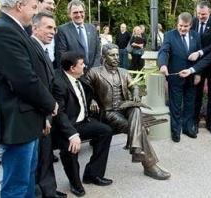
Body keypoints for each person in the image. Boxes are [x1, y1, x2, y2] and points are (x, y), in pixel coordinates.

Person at [0, 0, 59, 196]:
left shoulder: (13, 30)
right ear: (19, 5)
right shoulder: (3, 31)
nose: (35, 13)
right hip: (16, 124)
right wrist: (50, 104)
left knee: (27, 182)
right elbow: (24, 79)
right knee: (16, 187)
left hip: (27, 121)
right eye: (34, 7)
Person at [87, 43, 171, 180]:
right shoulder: (95, 72)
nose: (116, 58)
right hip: (109, 112)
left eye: (117, 55)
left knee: (136, 108)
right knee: (140, 129)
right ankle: (148, 165)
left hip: (125, 106)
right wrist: (92, 100)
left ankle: (138, 151)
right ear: (104, 57)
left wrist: (136, 93)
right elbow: (85, 88)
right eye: (112, 55)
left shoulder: (124, 72)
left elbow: (134, 86)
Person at [52, 51, 113, 197]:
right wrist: (72, 134)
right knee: (70, 148)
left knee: (105, 131)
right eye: (81, 64)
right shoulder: (58, 83)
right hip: (65, 126)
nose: (84, 66)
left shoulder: (78, 76)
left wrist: (91, 101)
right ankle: (75, 182)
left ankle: (93, 174)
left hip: (82, 121)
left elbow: (88, 91)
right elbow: (59, 114)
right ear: (72, 68)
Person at [30, 12, 67, 198]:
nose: (53, 32)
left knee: (45, 156)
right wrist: (45, 116)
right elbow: (35, 87)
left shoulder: (42, 49)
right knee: (40, 158)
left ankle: (48, 190)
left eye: (54, 28)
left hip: (45, 114)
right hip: (40, 116)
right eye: (49, 27)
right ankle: (45, 192)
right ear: (35, 28)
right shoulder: (32, 48)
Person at [158, 12, 202, 142]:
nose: (183, 28)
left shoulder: (196, 36)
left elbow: (200, 56)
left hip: (191, 77)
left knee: (189, 104)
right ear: (177, 23)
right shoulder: (169, 35)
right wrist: (162, 65)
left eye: (186, 26)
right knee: (176, 105)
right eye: (181, 25)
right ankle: (176, 131)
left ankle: (188, 128)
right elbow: (164, 51)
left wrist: (198, 72)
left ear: (191, 25)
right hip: (175, 78)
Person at [190, 0, 211, 135]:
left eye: (203, 14)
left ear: (209, 11)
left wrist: (199, 53)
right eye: (198, 13)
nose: (200, 16)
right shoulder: (193, 22)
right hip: (198, 66)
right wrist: (196, 68)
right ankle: (194, 122)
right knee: (196, 95)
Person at [56, 0, 101, 72]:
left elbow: (98, 51)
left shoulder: (92, 28)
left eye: (81, 12)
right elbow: (62, 55)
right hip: (74, 74)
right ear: (69, 14)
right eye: (75, 12)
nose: (79, 15)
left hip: (92, 74)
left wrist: (94, 69)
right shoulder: (63, 30)